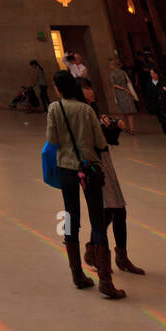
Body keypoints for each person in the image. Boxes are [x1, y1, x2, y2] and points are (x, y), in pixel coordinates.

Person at [45, 69, 125, 299]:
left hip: (66, 169)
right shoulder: (86, 109)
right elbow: (100, 141)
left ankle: (77, 275)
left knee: (71, 217)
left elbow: (51, 140)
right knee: (97, 220)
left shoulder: (54, 108)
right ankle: (106, 282)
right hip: (89, 169)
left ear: (58, 88)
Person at [78, 79, 144, 276]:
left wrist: (113, 126)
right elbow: (90, 139)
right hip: (94, 165)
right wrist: (104, 128)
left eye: (91, 87)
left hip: (105, 163)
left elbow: (108, 141)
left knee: (118, 211)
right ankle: (94, 252)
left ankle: (119, 256)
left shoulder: (93, 110)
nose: (91, 92)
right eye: (87, 88)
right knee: (108, 213)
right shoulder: (82, 112)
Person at [108, 56, 137, 133]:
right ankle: (132, 128)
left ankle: (126, 127)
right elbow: (128, 81)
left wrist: (122, 89)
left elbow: (114, 84)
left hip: (120, 93)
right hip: (127, 92)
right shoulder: (123, 72)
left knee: (123, 112)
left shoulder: (112, 74)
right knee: (130, 112)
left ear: (113, 65)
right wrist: (127, 89)